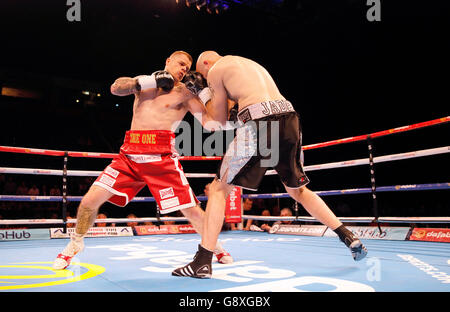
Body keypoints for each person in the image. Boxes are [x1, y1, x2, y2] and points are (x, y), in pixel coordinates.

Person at [172, 51, 367, 279]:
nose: (207, 80)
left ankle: (202, 261)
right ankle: (347, 236)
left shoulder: (215, 69)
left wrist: (204, 93)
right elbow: (237, 113)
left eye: (203, 75)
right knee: (298, 191)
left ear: (206, 63)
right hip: (290, 119)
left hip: (261, 123)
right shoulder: (249, 65)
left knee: (217, 189)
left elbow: (218, 122)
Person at [52, 50, 233, 270]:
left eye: (187, 67)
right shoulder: (145, 84)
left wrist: (208, 96)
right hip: (128, 157)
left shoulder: (186, 93)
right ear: (168, 61)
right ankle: (75, 244)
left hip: (161, 159)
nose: (184, 69)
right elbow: (116, 88)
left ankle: (216, 247)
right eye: (181, 63)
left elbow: (210, 124)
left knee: (192, 210)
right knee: (90, 200)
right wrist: (147, 81)